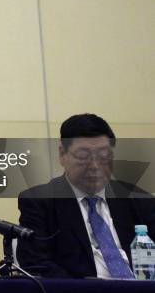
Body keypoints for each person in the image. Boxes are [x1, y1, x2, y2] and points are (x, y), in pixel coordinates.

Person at [17, 113, 155, 278]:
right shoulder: (40, 201)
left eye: (104, 156)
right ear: (62, 154)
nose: (95, 165)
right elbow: (36, 263)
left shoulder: (137, 200)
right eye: (83, 156)